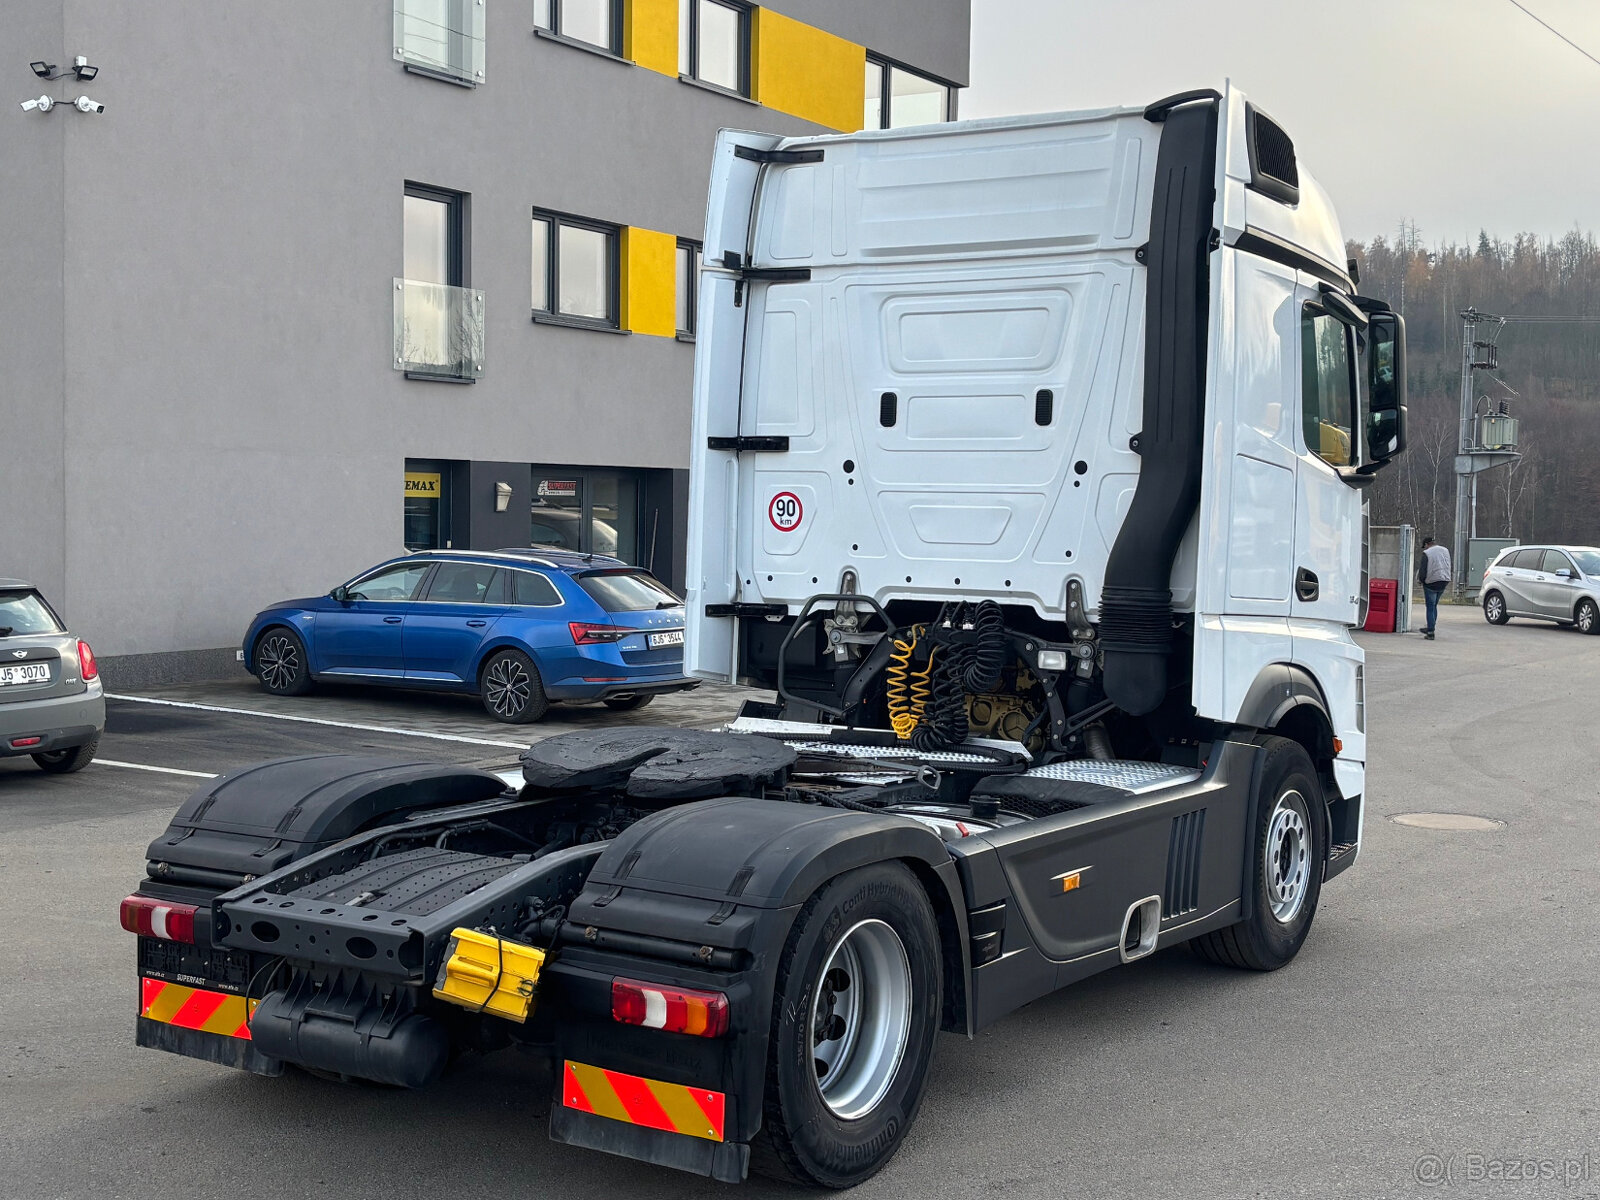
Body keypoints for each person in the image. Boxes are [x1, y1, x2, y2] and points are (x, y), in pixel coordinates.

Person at [1417, 536, 1452, 640]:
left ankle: (1430, 631)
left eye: (1425, 546)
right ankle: (1431, 626)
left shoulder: (1427, 553)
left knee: (1430, 607)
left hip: (1431, 582)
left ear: (1427, 544)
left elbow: (1423, 570)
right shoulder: (1445, 550)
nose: (1425, 548)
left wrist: (1421, 581)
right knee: (1434, 605)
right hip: (1444, 580)